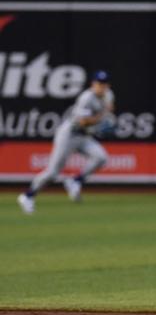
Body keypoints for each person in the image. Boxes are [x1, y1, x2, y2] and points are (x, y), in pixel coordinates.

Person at [17, 70, 114, 214]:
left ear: (108, 85)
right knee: (52, 172)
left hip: (84, 136)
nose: (101, 86)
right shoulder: (86, 98)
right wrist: (102, 118)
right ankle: (28, 195)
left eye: (104, 84)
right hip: (69, 135)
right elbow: (82, 122)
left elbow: (109, 110)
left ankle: (76, 181)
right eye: (99, 83)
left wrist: (105, 118)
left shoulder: (109, 95)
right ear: (93, 84)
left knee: (101, 158)